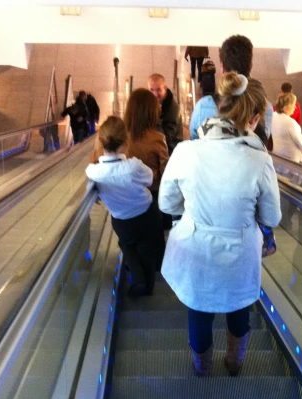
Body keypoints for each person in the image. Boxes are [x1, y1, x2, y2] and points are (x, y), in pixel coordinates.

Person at [159, 72, 282, 377]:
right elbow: (272, 217)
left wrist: (195, 207)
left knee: (198, 310)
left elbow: (166, 204)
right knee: (238, 307)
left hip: (195, 249)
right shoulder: (259, 160)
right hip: (239, 254)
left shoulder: (186, 152)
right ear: (253, 117)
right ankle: (234, 362)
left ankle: (202, 367)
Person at [189, 35, 276, 257]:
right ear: (251, 64)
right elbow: (263, 142)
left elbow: (194, 145)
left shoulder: (203, 107)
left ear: (222, 66)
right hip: (246, 213)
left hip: (209, 202)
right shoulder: (265, 107)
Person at [86, 116, 160, 297]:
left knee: (127, 246)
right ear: (126, 142)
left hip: (121, 220)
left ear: (100, 142)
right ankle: (148, 286)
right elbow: (150, 179)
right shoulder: (133, 166)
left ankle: (138, 278)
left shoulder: (93, 171)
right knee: (147, 249)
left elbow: (91, 182)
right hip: (146, 215)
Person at [124, 88, 169, 195]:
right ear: (152, 112)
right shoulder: (158, 139)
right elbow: (166, 173)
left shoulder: (120, 137)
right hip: (151, 193)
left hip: (125, 193)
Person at [272, 92, 302, 163]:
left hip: (277, 156)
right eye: (293, 105)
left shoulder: (272, 116)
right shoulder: (291, 123)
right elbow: (301, 143)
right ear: (285, 108)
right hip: (291, 161)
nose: (295, 107)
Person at [147, 74, 183, 155]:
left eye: (159, 90)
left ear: (165, 89)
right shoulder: (153, 103)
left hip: (171, 153)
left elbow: (166, 139)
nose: (155, 94)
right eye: (152, 90)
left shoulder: (172, 109)